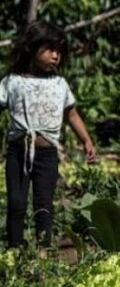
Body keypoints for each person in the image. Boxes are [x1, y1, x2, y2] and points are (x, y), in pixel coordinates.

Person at [2, 21, 96, 250]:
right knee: (16, 202)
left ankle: (44, 250)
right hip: (18, 152)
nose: (56, 56)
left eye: (59, 51)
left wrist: (86, 140)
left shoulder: (59, 84)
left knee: (43, 203)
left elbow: (71, 114)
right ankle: (15, 249)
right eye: (50, 50)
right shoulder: (13, 81)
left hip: (47, 154)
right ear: (32, 49)